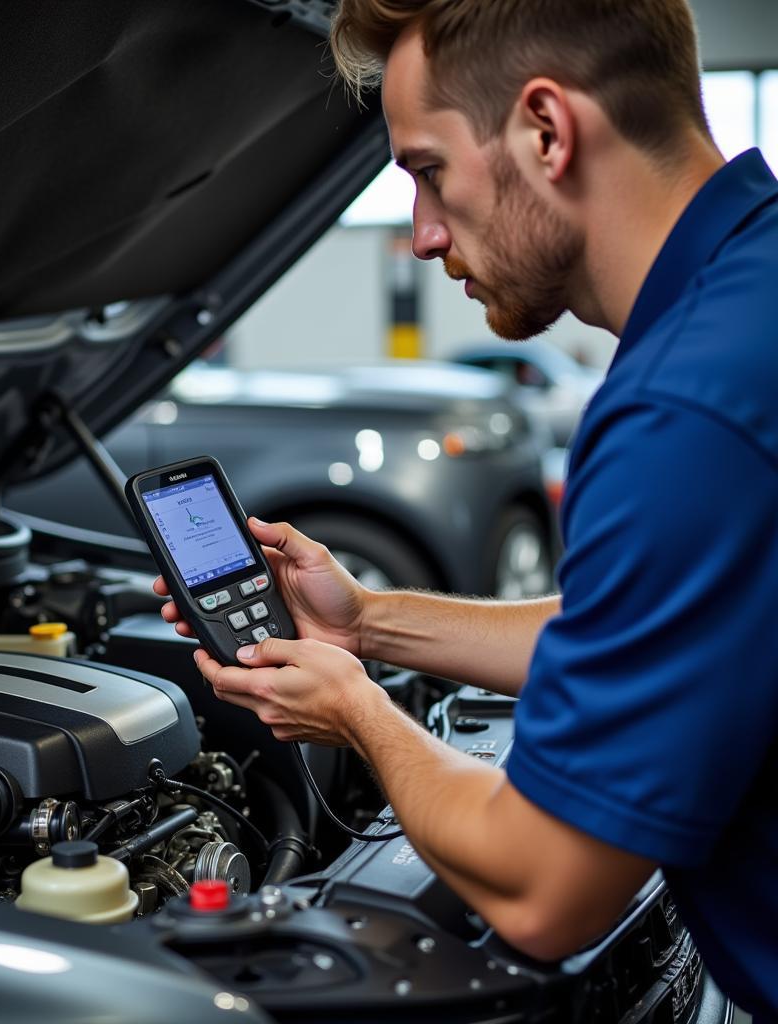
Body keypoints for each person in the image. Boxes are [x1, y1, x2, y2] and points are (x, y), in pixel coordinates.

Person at [155, 1, 778, 1016]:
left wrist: (356, 710)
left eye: (427, 170)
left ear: (545, 130)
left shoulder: (685, 407)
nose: (423, 233)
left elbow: (544, 890)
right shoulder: (751, 295)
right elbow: (652, 632)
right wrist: (363, 621)